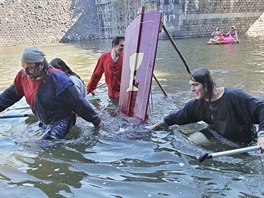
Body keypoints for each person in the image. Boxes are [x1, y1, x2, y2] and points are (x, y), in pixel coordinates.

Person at [146, 67, 264, 152]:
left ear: (207, 84)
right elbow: (175, 117)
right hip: (218, 134)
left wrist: (262, 136)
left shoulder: (234, 97)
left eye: (195, 85)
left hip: (244, 140)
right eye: (191, 85)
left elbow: (261, 108)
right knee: (191, 141)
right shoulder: (197, 105)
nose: (192, 89)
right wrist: (152, 128)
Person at [0, 47, 104, 140]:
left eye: (30, 68)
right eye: (24, 68)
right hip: (45, 119)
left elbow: (78, 103)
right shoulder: (22, 77)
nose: (26, 72)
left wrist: (97, 121)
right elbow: (9, 96)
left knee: (47, 146)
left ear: (41, 64)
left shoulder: (59, 80)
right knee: (43, 140)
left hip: (62, 119)